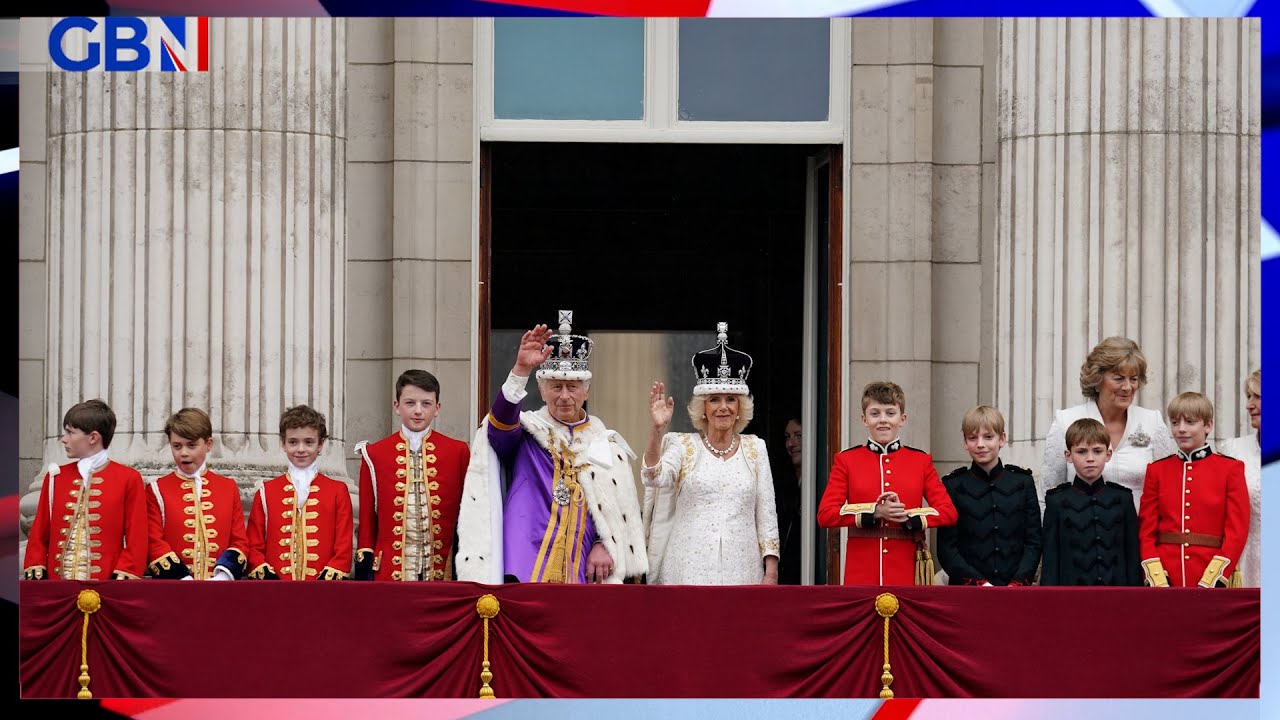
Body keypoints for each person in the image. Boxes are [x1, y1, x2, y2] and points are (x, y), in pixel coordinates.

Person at [456, 311, 647, 584]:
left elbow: (614, 509)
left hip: (583, 567)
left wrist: (605, 543)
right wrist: (520, 370)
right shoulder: (527, 432)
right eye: (556, 386)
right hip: (524, 561)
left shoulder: (606, 444)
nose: (565, 396)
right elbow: (498, 429)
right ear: (542, 391)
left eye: (572, 386)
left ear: (587, 391)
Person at [641, 323, 780, 585]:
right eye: (714, 399)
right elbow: (653, 476)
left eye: (730, 399)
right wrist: (657, 430)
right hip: (686, 570)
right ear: (703, 408)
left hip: (743, 571)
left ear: (740, 407)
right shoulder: (683, 446)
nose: (723, 407)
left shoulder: (755, 448)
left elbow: (767, 514)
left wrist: (770, 572)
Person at [817, 381, 957, 586]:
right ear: (864, 420)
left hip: (906, 572)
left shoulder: (920, 461)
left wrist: (909, 516)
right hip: (861, 574)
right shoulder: (846, 460)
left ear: (902, 418)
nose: (883, 420)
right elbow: (826, 514)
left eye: (890, 413)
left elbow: (948, 511)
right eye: (875, 414)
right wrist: (875, 512)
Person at [353, 369, 470, 581]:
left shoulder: (458, 451)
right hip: (390, 571)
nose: (418, 411)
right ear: (397, 406)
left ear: (437, 408)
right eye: (410, 403)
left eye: (426, 404)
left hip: (443, 569)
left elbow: (467, 512)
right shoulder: (374, 454)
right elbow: (368, 518)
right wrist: (365, 559)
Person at [1041, 337, 1176, 511]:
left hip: (1138, 534)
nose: (1127, 387)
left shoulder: (1152, 422)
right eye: (1119, 379)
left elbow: (1166, 490)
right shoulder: (1066, 422)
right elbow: (1048, 494)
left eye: (1133, 379)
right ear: (1097, 381)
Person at [23, 399, 148, 580]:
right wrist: (36, 566)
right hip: (57, 587)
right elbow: (39, 532)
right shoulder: (55, 477)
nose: (63, 439)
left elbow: (136, 537)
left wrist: (124, 575)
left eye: (70, 432)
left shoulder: (128, 478)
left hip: (106, 586)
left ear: (93, 438)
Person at [1138, 392, 1248, 588]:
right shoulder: (1156, 470)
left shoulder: (1231, 469)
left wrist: (1215, 577)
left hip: (1210, 572)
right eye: (1175, 422)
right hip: (1166, 575)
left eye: (1189, 422)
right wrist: (1156, 575)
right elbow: (1146, 531)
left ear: (1208, 425)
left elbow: (1237, 530)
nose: (1181, 429)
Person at [245, 405, 353, 580]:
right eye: (293, 442)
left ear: (321, 445)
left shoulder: (337, 491)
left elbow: (343, 546)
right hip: (276, 591)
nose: (301, 449)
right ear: (283, 444)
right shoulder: (266, 491)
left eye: (309, 442)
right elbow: (254, 544)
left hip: (323, 592)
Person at [937, 406, 1041, 586]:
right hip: (967, 592)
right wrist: (979, 583)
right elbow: (947, 548)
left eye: (988, 437)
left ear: (1002, 439)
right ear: (965, 442)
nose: (980, 444)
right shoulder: (953, 485)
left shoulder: (1022, 482)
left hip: (1015, 591)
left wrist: (1018, 582)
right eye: (972, 438)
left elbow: (1033, 542)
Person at [146, 408, 249, 580]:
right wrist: (183, 579)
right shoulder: (156, 490)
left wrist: (222, 577)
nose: (183, 453)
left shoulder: (228, 487)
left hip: (219, 590)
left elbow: (240, 541)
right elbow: (153, 542)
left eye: (191, 445)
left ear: (208, 444)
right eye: (177, 446)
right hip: (173, 590)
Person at [1041, 418, 1142, 586]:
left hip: (1117, 596)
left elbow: (1132, 556)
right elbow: (1051, 561)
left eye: (1097, 451)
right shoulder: (1056, 501)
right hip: (1071, 597)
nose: (1090, 458)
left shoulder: (1123, 499)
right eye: (1081, 452)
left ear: (1108, 454)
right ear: (1068, 455)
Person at [1220, 370, 1261, 587]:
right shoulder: (1233, 449)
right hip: (1242, 565)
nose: (1249, 405)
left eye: (1258, 397)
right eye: (1248, 396)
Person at [774, 416, 803, 585]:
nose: (791, 444)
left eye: (798, 435)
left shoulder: (819, 484)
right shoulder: (785, 485)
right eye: (787, 437)